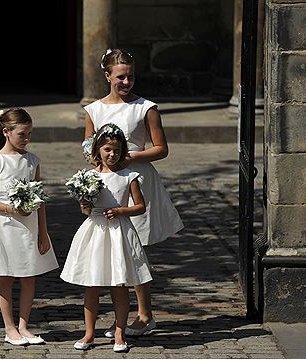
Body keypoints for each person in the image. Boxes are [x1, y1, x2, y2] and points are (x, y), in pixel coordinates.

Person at [83, 48, 184, 337]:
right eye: (120, 77)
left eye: (130, 77)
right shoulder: (94, 109)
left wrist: (132, 158)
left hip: (138, 181)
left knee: (134, 247)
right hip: (107, 184)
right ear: (107, 76)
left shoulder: (145, 107)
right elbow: (88, 145)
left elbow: (161, 148)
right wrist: (95, 169)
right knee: (113, 247)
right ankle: (120, 318)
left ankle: (144, 314)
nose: (126, 82)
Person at [0, 108, 59, 346]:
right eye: (22, 134)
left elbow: (40, 200)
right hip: (6, 225)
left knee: (29, 276)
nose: (27, 139)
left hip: (29, 226)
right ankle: (9, 328)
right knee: (7, 276)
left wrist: (43, 232)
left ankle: (24, 325)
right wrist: (11, 209)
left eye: (29, 134)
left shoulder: (33, 161)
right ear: (6, 132)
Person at [61, 123, 152, 353]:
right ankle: (89, 332)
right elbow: (87, 209)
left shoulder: (128, 176)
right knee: (92, 284)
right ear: (97, 150)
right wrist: (84, 206)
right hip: (95, 232)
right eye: (107, 150)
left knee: (119, 285)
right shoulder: (88, 177)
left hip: (119, 232)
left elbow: (140, 207)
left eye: (117, 151)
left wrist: (122, 211)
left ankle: (120, 332)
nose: (112, 155)